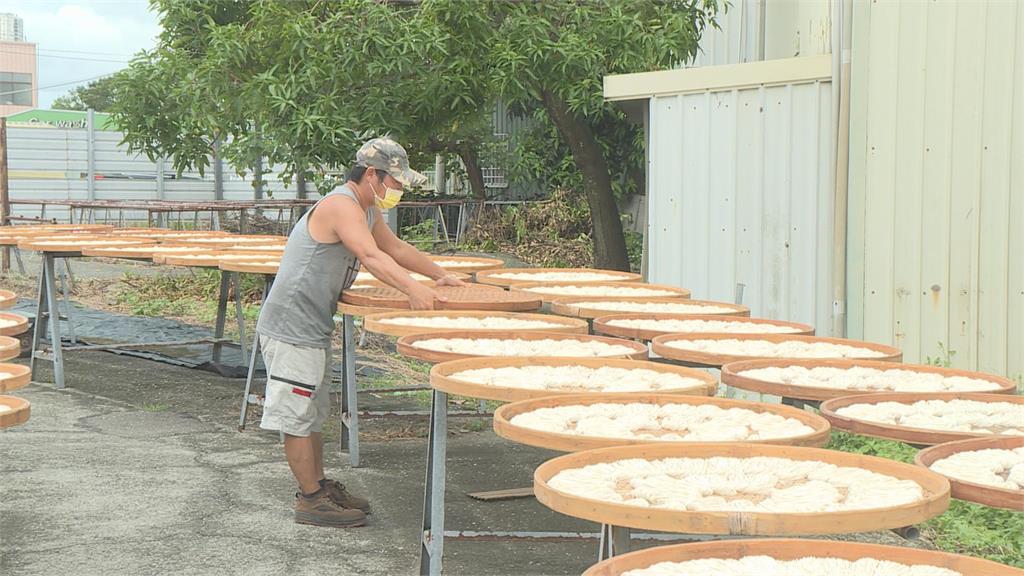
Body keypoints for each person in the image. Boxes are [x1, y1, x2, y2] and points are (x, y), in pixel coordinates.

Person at [254, 137, 465, 528]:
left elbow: (395, 248)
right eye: (395, 183)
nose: (396, 191)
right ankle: (310, 501)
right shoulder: (340, 206)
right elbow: (371, 256)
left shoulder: (365, 209)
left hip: (312, 326)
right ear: (372, 175)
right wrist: (412, 289)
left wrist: (439, 275)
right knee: (297, 416)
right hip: (291, 327)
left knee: (313, 413)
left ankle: (319, 486)